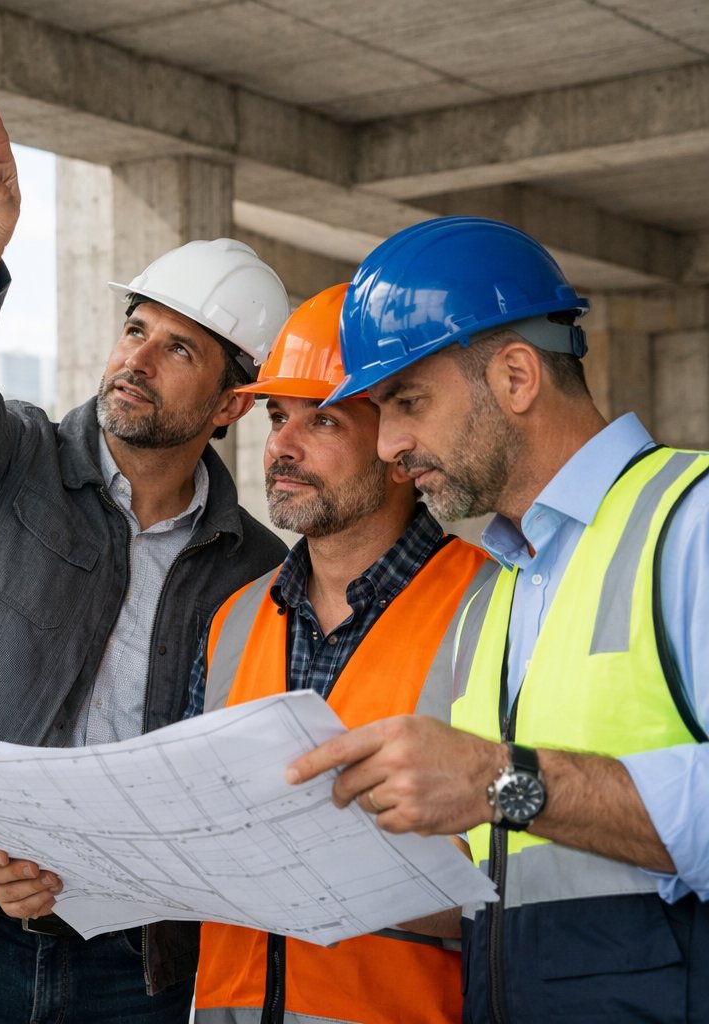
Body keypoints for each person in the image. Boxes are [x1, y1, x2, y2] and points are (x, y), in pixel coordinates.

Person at [0, 101, 289, 1023]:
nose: (138, 359)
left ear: (231, 405)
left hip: (131, 962)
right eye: (136, 329)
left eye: (179, 348)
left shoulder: (256, 567)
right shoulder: (10, 463)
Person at [287, 216, 709, 1022]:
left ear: (517, 376)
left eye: (408, 402)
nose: (389, 445)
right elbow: (513, 875)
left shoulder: (691, 521)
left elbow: (510, 788)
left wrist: (499, 779)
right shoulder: (496, 594)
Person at [186, 284, 491, 1024]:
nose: (282, 448)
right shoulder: (233, 620)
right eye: (277, 418)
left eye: (322, 419)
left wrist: (320, 872)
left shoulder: (492, 609)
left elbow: (532, 873)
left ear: (398, 447)